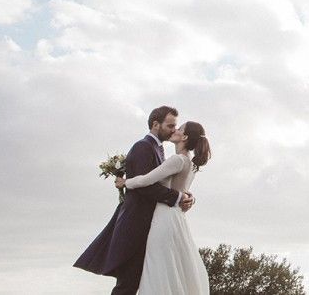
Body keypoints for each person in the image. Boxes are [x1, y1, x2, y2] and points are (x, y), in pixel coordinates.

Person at [74, 106, 195, 294]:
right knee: (128, 285)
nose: (174, 130)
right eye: (170, 125)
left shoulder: (158, 149)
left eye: (176, 126)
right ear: (156, 124)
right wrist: (178, 198)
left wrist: (186, 195)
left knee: (135, 284)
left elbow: (165, 181)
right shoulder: (143, 147)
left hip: (149, 224)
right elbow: (146, 186)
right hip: (135, 225)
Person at [117, 120, 211, 294]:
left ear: (185, 136)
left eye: (179, 128)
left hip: (164, 218)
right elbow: (183, 190)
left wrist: (125, 182)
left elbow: (146, 180)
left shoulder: (177, 160)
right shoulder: (191, 163)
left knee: (157, 268)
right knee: (172, 269)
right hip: (177, 218)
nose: (175, 130)